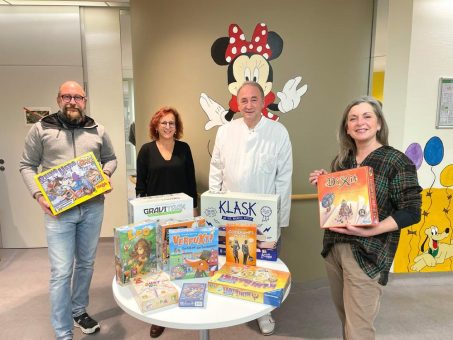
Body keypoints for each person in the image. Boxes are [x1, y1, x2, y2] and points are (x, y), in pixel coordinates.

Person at [308, 96, 422, 340]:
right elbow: (340, 204)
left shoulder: (396, 161)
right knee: (347, 321)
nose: (360, 122)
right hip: (334, 249)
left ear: (379, 123)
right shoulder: (342, 162)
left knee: (359, 329)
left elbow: (412, 210)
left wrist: (374, 229)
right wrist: (326, 183)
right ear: (347, 128)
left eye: (367, 116)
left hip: (367, 253)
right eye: (353, 118)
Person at [19, 81, 117, 340]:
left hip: (93, 208)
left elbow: (111, 158)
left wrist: (104, 175)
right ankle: (63, 332)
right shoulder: (42, 129)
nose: (72, 101)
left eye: (78, 97)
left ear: (85, 100)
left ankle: (79, 311)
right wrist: (38, 195)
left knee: (85, 264)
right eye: (67, 96)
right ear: (59, 99)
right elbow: (26, 165)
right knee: (61, 271)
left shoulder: (97, 129)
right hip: (59, 212)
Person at [209, 81, 292, 336]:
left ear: (263, 101)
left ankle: (263, 312)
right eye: (243, 100)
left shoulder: (278, 132)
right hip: (230, 210)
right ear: (237, 103)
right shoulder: (225, 131)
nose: (248, 105)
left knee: (264, 264)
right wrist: (213, 207)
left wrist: (279, 217)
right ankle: (234, 303)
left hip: (263, 213)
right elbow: (216, 169)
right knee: (233, 260)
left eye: (254, 99)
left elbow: (284, 177)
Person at [135, 106, 198, 338]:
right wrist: (140, 216)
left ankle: (184, 301)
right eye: (164, 123)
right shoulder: (146, 150)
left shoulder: (184, 148)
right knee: (159, 264)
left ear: (176, 126)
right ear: (156, 125)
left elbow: (191, 181)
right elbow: (140, 186)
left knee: (181, 259)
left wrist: (194, 210)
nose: (168, 127)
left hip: (181, 215)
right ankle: (159, 314)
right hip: (155, 216)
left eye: (172, 123)